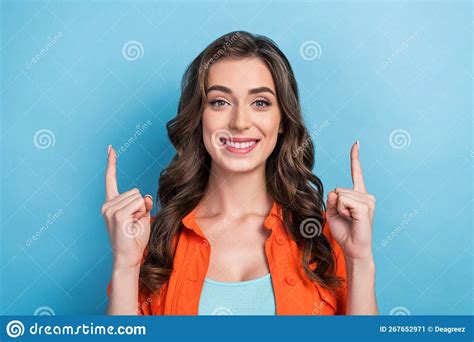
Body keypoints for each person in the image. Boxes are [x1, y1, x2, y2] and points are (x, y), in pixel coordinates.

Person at [103, 31, 377, 315]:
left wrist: (360, 260)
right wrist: (126, 264)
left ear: (282, 119)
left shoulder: (324, 238)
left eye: (260, 103)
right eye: (220, 101)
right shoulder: (153, 241)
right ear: (198, 116)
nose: (240, 122)